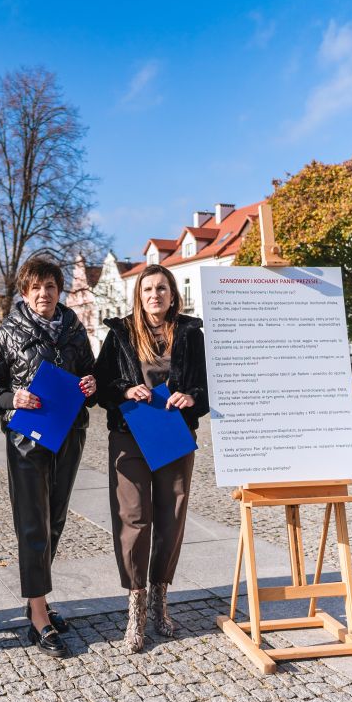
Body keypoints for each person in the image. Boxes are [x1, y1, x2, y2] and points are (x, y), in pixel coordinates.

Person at [0, 256, 96, 659]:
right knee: (33, 523)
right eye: (36, 288)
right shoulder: (7, 332)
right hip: (26, 440)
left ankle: (38, 599)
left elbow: (90, 375)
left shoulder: (74, 328)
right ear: (25, 292)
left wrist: (90, 383)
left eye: (50, 286)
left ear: (58, 290)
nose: (44, 294)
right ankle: (37, 616)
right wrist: (14, 398)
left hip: (70, 434)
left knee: (57, 518)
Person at [93, 264, 208, 652]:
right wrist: (125, 391)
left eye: (161, 288)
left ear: (172, 295)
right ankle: (135, 605)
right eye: (147, 290)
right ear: (138, 296)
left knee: (171, 517)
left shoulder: (192, 335)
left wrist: (192, 397)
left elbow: (208, 387)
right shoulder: (121, 334)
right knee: (133, 519)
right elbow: (101, 385)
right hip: (130, 437)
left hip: (175, 434)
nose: (154, 295)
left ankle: (160, 596)